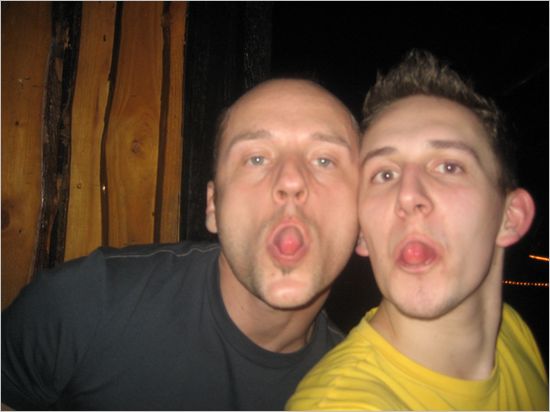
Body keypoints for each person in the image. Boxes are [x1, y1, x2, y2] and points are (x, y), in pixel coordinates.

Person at [2, 78, 361, 410]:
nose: (291, 180)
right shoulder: (89, 302)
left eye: (325, 160)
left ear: (362, 217)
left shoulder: (358, 394)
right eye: (256, 158)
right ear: (213, 206)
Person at [287, 50, 549, 410]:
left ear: (511, 217)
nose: (407, 196)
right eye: (385, 174)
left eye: (448, 167)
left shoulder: (512, 333)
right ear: (361, 232)